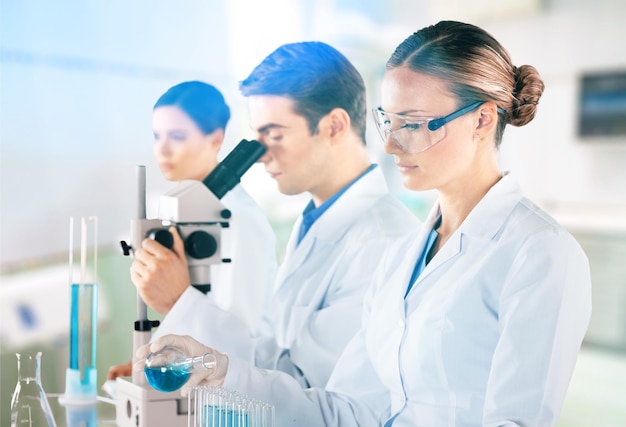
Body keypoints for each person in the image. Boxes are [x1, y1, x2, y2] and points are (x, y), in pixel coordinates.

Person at [136, 21, 592, 426]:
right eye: (387, 122)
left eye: (413, 124)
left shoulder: (540, 252)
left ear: (482, 119)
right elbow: (347, 410)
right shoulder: (404, 258)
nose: (391, 146)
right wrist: (213, 368)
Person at [106, 81, 277, 380]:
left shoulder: (237, 219)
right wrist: (156, 363)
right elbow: (199, 317)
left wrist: (176, 299)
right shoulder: (186, 208)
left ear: (216, 139)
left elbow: (240, 347)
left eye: (177, 136)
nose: (163, 148)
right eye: (157, 136)